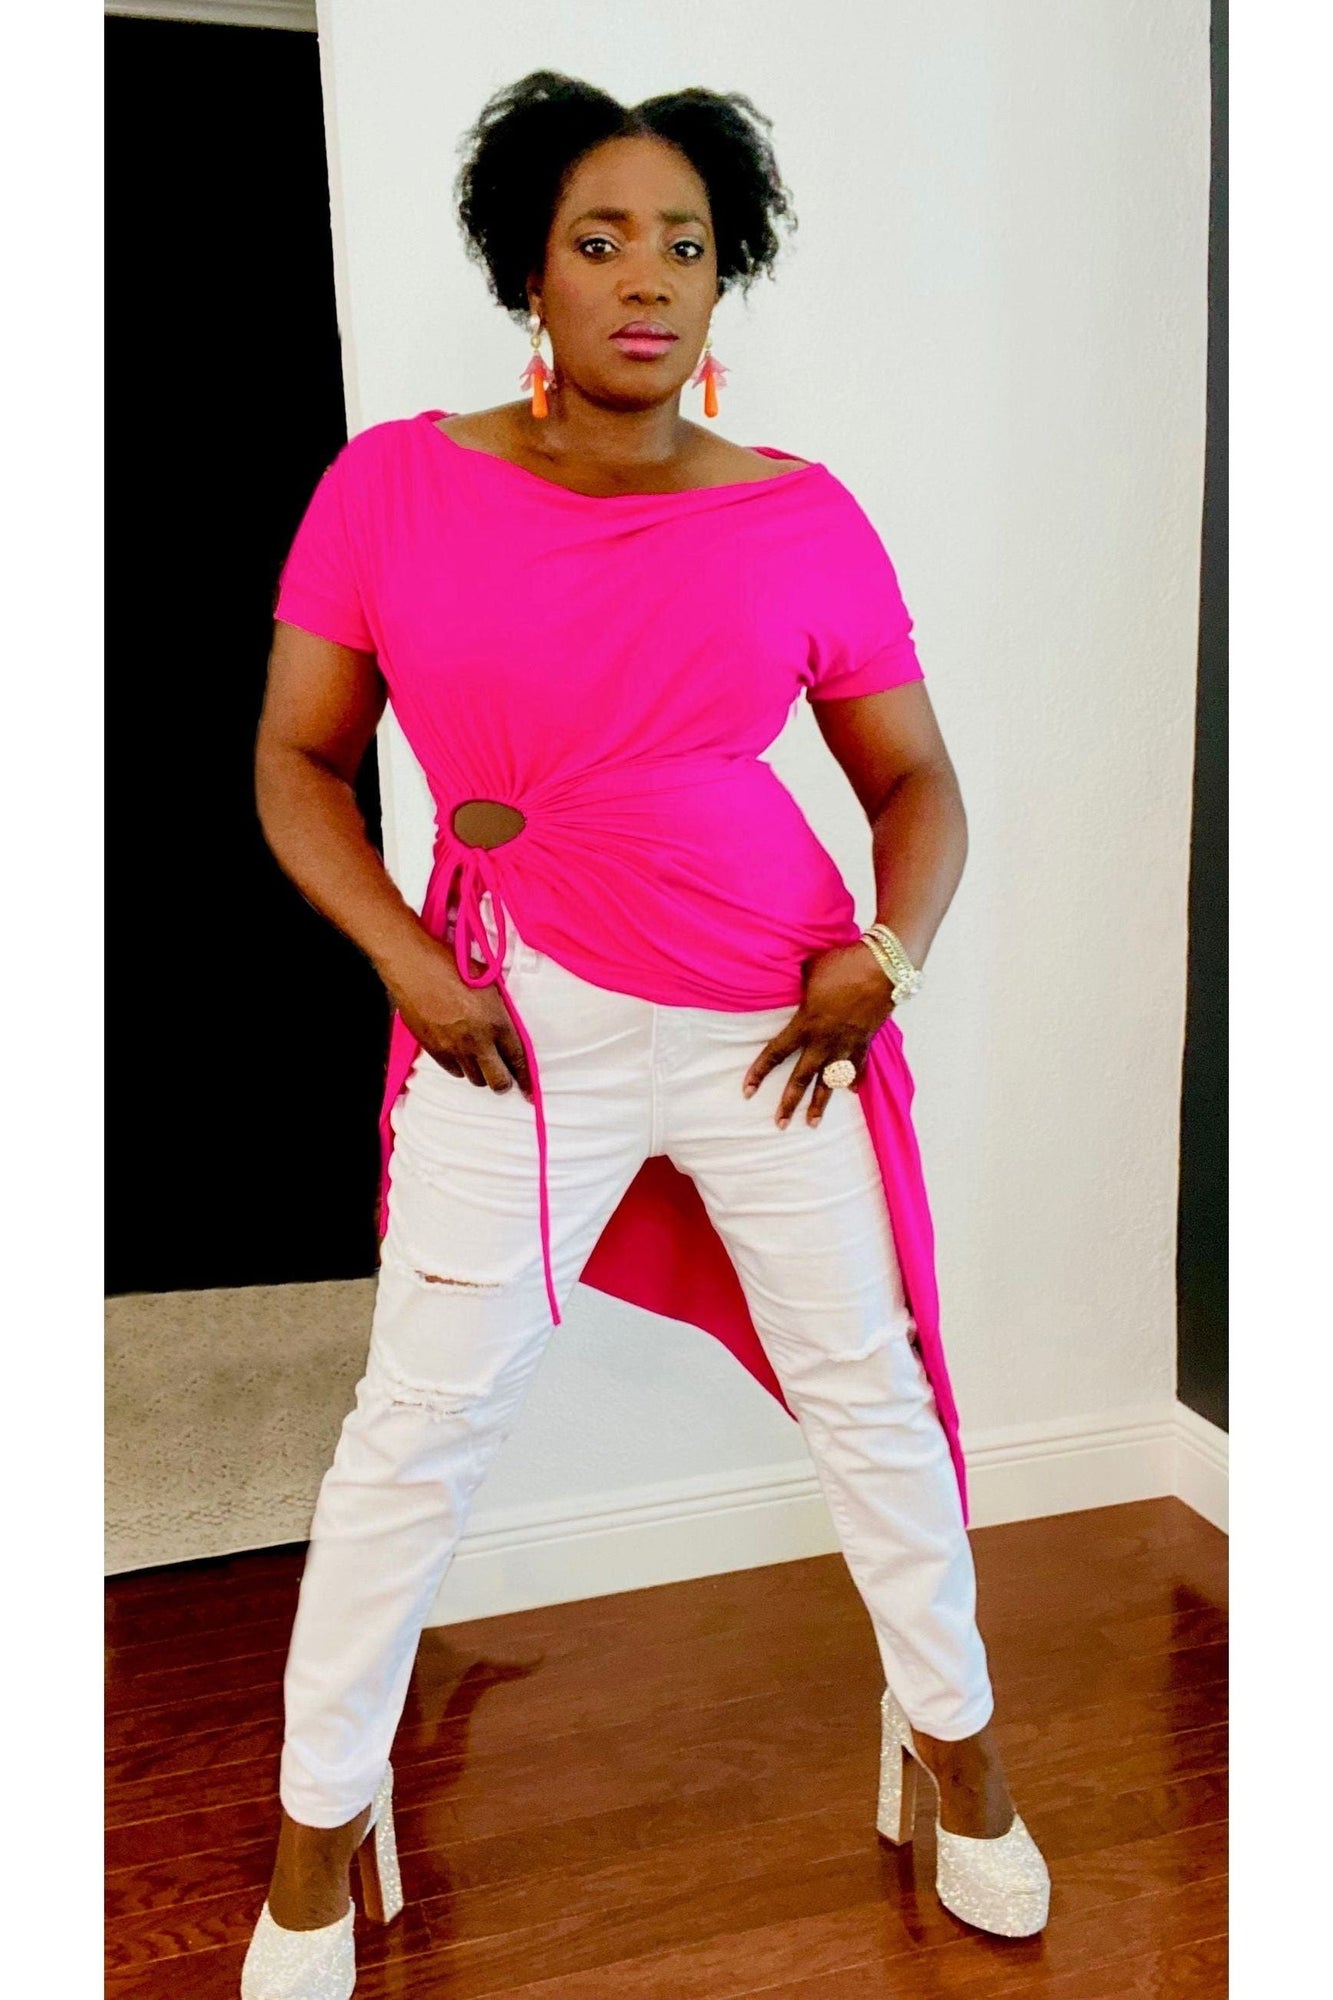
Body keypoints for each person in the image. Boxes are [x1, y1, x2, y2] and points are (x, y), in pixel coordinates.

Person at [240, 69, 1050, 2000]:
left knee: (865, 1391)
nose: (645, 277)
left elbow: (918, 781)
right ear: (529, 271)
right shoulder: (392, 488)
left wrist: (885, 957)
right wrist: (406, 964)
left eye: (684, 242)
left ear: (722, 273)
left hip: (776, 1026)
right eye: (599, 240)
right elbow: (295, 760)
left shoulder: (798, 512)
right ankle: (313, 1839)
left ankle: (958, 1755)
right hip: (514, 1026)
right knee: (418, 1430)